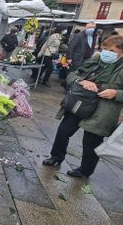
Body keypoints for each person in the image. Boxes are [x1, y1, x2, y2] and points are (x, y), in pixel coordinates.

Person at [43, 35, 123, 178]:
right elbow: (72, 75)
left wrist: (116, 93)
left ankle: (85, 170)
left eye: (111, 49)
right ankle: (56, 157)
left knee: (91, 142)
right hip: (82, 102)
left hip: (104, 110)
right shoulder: (96, 60)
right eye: (104, 48)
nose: (106, 52)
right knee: (63, 130)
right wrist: (81, 81)